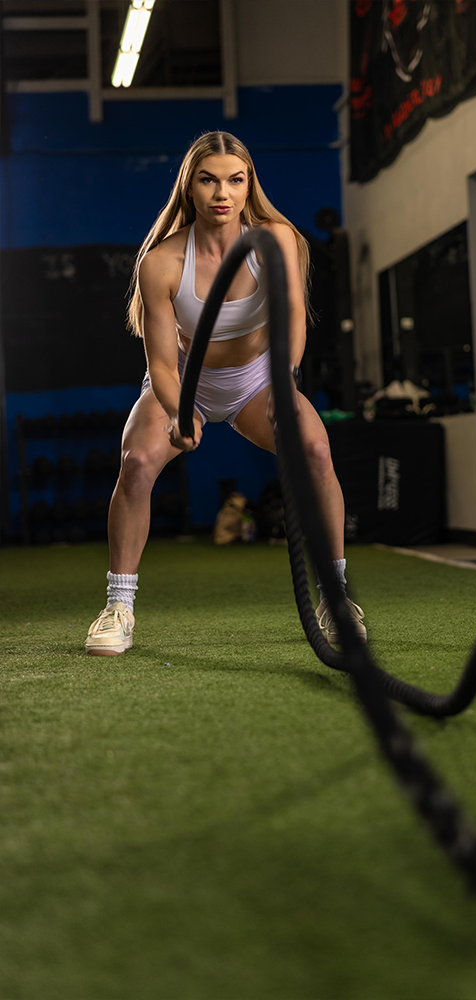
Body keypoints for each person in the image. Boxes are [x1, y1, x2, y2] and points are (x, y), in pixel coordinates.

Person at [87, 132, 364, 656]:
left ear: (249, 185)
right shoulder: (161, 263)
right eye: (208, 179)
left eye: (236, 180)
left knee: (315, 451)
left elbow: (294, 322)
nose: (222, 193)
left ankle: (337, 597)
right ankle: (118, 607)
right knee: (137, 462)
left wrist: (284, 377)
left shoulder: (278, 240)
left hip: (260, 380)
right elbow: (163, 364)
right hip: (184, 380)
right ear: (189, 187)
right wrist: (179, 410)